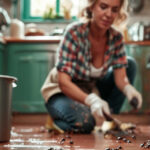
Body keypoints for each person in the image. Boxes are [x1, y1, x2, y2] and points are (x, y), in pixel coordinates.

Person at [41, 0, 142, 134]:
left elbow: (121, 78)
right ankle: (55, 120)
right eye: (103, 7)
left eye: (114, 10)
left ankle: (109, 119)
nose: (108, 14)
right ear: (92, 6)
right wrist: (92, 101)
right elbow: (63, 82)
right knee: (85, 124)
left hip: (89, 89)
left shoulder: (116, 37)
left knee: (130, 64)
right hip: (61, 90)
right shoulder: (74, 33)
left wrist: (129, 90)